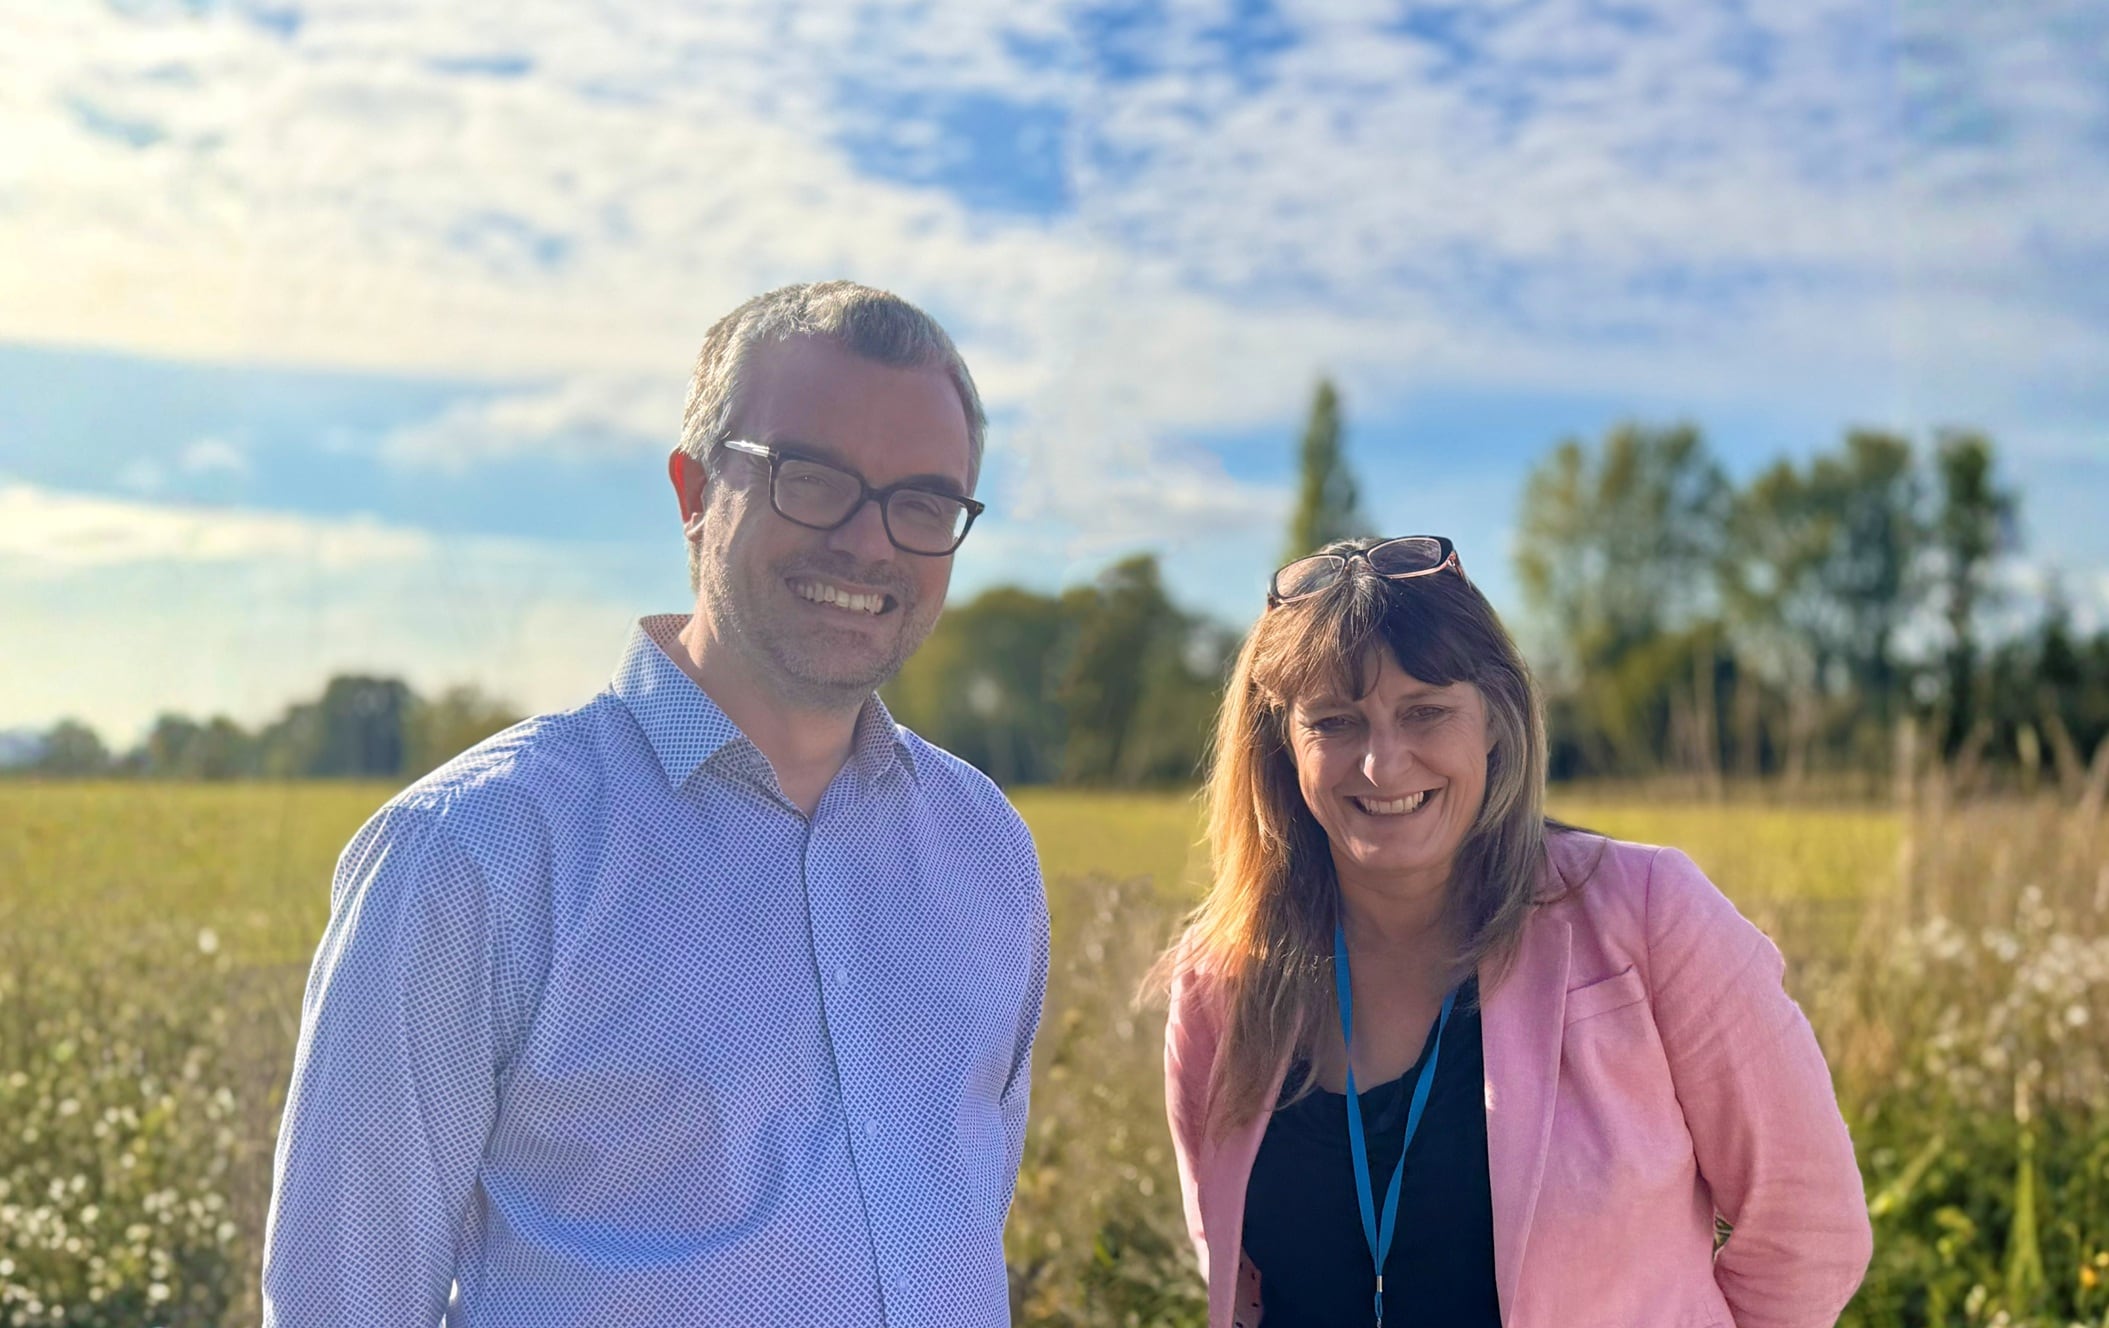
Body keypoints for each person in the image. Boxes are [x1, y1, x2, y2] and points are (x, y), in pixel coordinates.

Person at [263, 281, 1050, 1327]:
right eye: (813, 478)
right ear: (693, 490)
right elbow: (341, 1301)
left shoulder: (985, 847)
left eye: (922, 502)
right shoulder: (472, 855)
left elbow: (962, 1222)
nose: (870, 543)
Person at [1156, 535, 1871, 1328]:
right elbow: (1234, 1268)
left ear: (1494, 720)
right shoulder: (1218, 980)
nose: (1381, 764)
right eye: (1334, 722)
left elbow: (1809, 1230)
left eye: (1424, 711)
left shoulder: (1646, 914)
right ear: (1281, 746)